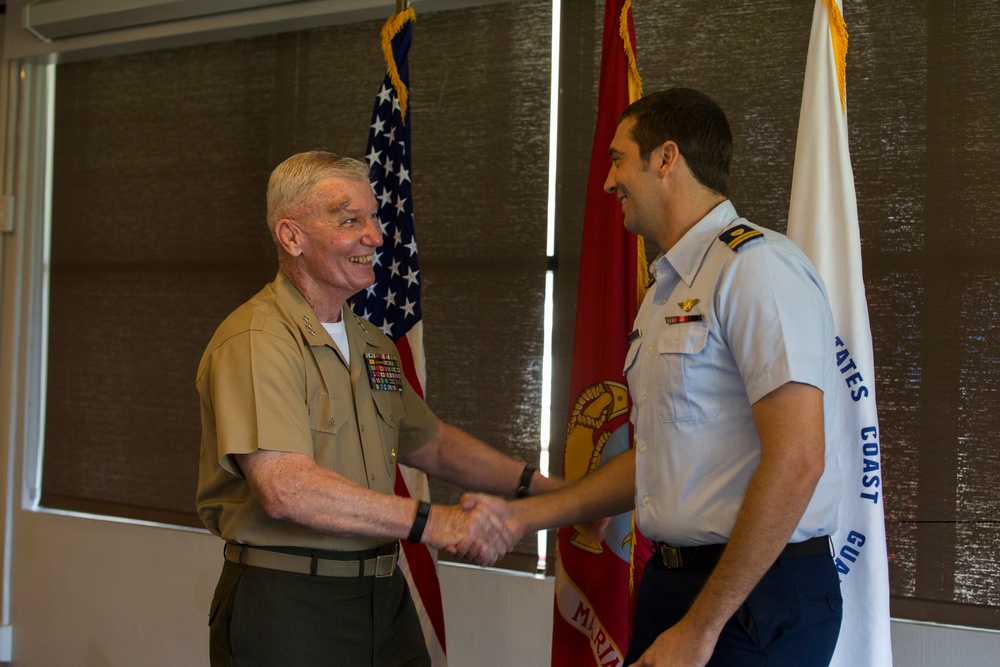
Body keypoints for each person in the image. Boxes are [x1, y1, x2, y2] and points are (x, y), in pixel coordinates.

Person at [464, 88, 845, 666]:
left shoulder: (756, 268)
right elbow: (656, 456)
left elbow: (798, 460)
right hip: (678, 584)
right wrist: (523, 516)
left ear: (666, 159)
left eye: (618, 159)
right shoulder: (667, 288)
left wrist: (702, 627)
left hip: (752, 598)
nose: (607, 182)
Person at [196, 150, 556, 667]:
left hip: (383, 596)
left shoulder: (372, 344)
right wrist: (433, 522)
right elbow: (285, 488)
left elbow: (431, 444)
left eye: (372, 217)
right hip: (290, 601)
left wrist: (542, 490)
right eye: (350, 220)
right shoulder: (257, 339)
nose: (375, 236)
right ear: (291, 237)